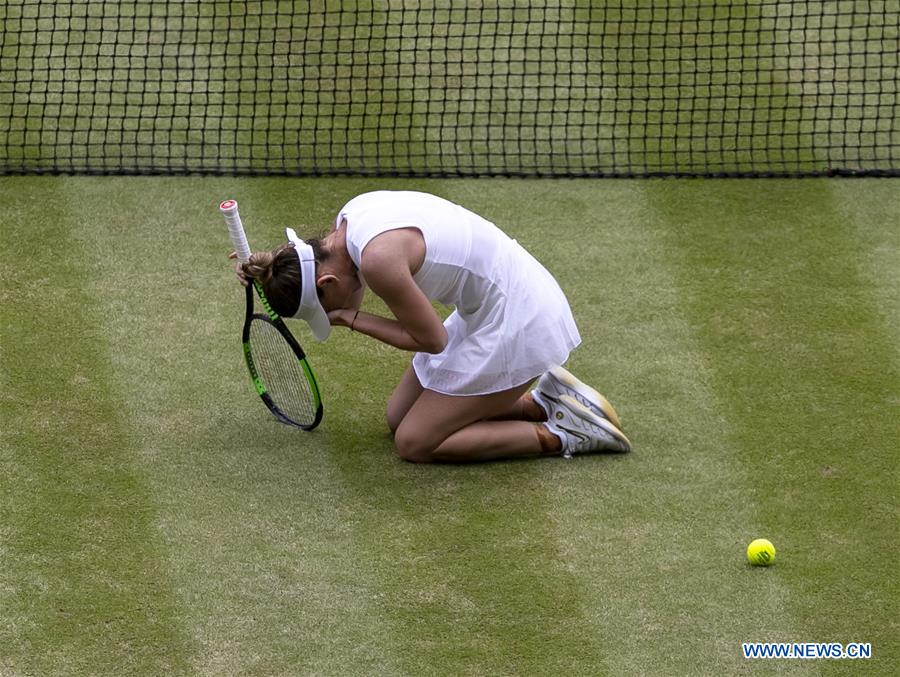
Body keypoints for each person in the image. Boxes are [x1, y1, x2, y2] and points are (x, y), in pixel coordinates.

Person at [231, 190, 631, 462]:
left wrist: (350, 318)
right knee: (397, 416)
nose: (331, 315)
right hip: (492, 305)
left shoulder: (377, 261)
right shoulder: (349, 219)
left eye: (326, 306)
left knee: (414, 442)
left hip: (520, 317)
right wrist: (267, 270)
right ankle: (544, 402)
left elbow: (432, 340)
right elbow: (289, 264)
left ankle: (566, 434)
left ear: (326, 283)